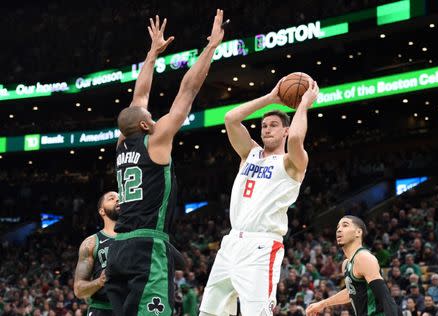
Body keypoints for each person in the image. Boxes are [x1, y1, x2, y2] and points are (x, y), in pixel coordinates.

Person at [105, 10, 225, 316]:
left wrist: (152, 54)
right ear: (146, 127)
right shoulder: (155, 140)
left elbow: (139, 97)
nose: (155, 118)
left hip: (117, 250)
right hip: (147, 246)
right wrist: (210, 48)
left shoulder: (122, 143)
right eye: (151, 118)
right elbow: (188, 90)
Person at [199, 77, 319, 315]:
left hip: (262, 246)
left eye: (274, 125)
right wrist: (271, 98)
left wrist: (303, 104)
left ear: (285, 130)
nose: (267, 129)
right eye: (264, 126)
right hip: (231, 242)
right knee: (209, 313)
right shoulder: (249, 153)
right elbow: (231, 119)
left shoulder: (292, 163)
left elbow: (296, 139)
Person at [306, 216, 398, 316]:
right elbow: (352, 292)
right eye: (338, 227)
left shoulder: (363, 257)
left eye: (345, 225)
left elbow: (385, 296)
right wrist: (322, 304)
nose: (339, 230)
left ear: (358, 232)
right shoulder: (346, 264)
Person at [74, 191, 120, 316]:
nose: (117, 199)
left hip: (130, 307)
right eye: (112, 198)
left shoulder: (136, 237)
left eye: (120, 198)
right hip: (102, 309)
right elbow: (78, 290)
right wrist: (100, 281)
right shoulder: (91, 243)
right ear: (102, 211)